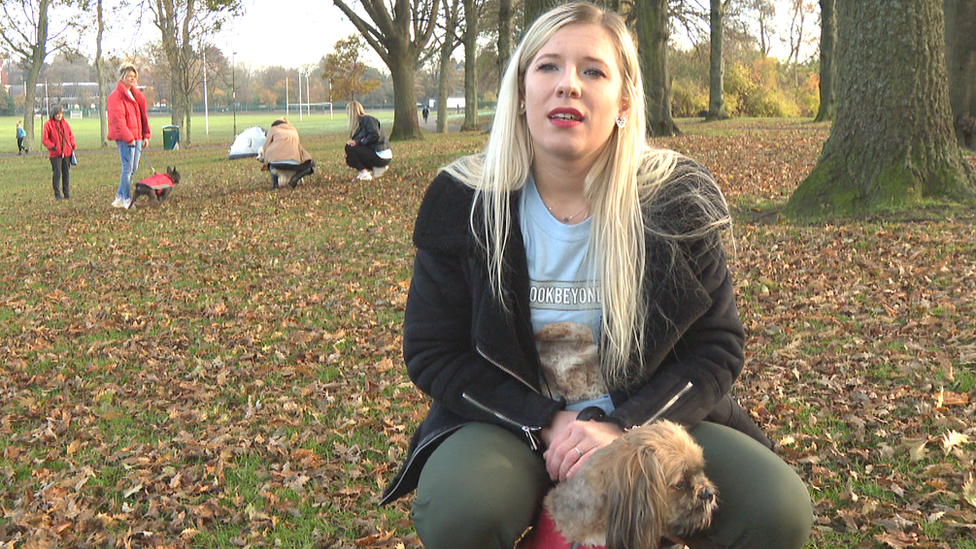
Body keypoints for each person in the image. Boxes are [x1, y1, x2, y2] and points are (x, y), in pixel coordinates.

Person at [378, 4, 814, 549]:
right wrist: (547, 422)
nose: (569, 86)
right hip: (514, 426)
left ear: (624, 102)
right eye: (548, 67)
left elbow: (717, 347)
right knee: (460, 507)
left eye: (593, 70)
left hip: (651, 427)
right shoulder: (463, 201)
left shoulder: (676, 200)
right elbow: (432, 352)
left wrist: (621, 428)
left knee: (778, 510)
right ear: (520, 94)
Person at [107, 63, 151, 209]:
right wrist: (128, 137)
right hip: (126, 139)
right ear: (122, 77)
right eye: (129, 76)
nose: (132, 79)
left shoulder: (136, 95)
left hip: (137, 136)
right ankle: (126, 199)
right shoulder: (116, 97)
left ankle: (119, 197)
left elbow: (143, 116)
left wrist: (145, 135)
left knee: (133, 169)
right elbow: (118, 121)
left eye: (134, 76)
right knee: (127, 168)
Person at [258, 117, 315, 189]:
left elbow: (265, 147)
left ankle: (275, 185)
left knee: (270, 163)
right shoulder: (294, 130)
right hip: (294, 163)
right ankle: (295, 178)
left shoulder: (273, 129)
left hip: (276, 163)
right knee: (311, 166)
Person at [345, 100, 392, 181]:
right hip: (377, 153)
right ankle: (373, 169)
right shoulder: (360, 125)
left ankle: (365, 174)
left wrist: (359, 142)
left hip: (381, 153)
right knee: (349, 157)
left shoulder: (367, 119)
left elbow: (375, 134)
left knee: (349, 147)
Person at [41, 106, 76, 200]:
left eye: (60, 113)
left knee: (66, 173)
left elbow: (70, 135)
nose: (59, 115)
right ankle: (57, 194)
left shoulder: (65, 124)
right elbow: (45, 139)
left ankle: (66, 193)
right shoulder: (48, 124)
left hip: (67, 152)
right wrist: (53, 146)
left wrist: (72, 144)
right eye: (57, 113)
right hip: (55, 154)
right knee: (57, 173)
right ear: (53, 114)